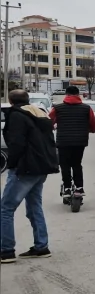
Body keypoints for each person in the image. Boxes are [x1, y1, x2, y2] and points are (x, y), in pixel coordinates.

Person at [1, 90, 59, 263]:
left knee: (5, 209)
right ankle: (41, 247)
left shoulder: (16, 116)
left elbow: (16, 142)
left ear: (10, 101)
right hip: (41, 167)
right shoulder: (39, 113)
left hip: (25, 168)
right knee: (34, 206)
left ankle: (6, 251)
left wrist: (11, 164)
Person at [49, 86, 95, 198]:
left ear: (66, 95)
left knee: (64, 165)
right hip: (80, 141)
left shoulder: (57, 108)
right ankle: (79, 188)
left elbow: (49, 120)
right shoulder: (86, 108)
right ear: (78, 94)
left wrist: (52, 127)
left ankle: (66, 188)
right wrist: (92, 129)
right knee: (76, 164)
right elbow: (93, 123)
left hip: (63, 141)